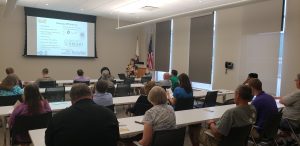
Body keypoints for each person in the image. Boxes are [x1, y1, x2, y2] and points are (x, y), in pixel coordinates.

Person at [45, 83, 119, 146]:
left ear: (71, 100)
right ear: (92, 96)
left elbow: (48, 142)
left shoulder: (57, 118)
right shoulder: (110, 114)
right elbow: (116, 138)